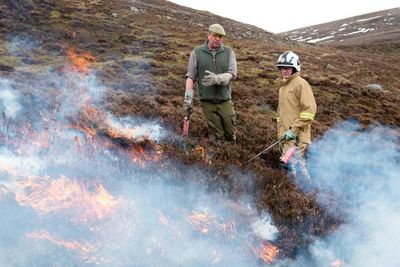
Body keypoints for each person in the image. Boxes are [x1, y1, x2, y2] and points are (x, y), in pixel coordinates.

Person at [183, 23, 237, 144]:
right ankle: (221, 158)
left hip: (225, 100)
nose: (218, 39)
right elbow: (190, 77)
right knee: (218, 135)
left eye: (220, 37)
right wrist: (188, 99)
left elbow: (232, 73)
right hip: (207, 102)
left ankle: (232, 152)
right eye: (215, 35)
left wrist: (219, 78)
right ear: (208, 35)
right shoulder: (197, 52)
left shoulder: (229, 52)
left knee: (230, 134)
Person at [276, 51, 317, 182]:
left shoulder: (301, 84)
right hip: (285, 135)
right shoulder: (283, 87)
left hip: (297, 136)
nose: (284, 71)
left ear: (294, 68)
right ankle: (305, 194)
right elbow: (282, 112)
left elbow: (309, 112)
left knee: (291, 166)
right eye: (282, 68)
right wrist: (282, 131)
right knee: (294, 166)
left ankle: (301, 196)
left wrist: (293, 130)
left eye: (287, 68)